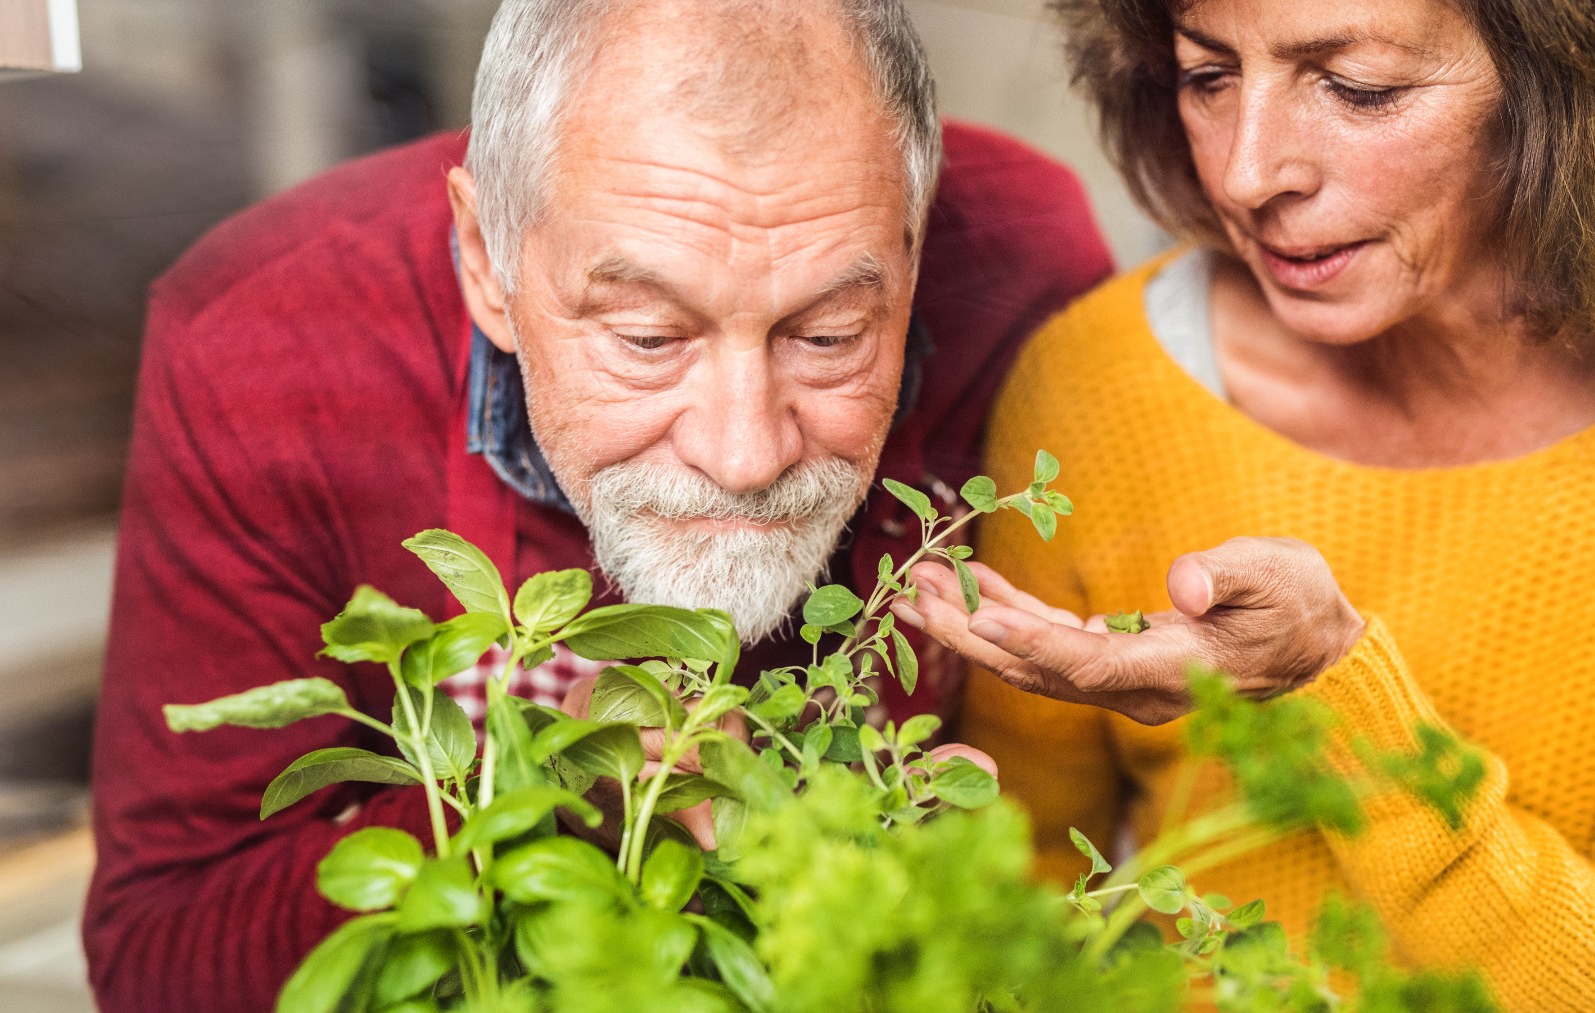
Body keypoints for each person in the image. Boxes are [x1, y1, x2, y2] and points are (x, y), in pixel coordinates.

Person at [82, 0, 1112, 1009]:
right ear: (487, 259)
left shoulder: (1025, 266)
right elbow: (162, 949)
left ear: (915, 249)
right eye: (649, 338)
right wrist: (555, 786)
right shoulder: (264, 340)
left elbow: (1072, 826)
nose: (744, 454)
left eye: (830, 336)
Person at [897, 0, 1595, 1007]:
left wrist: (1337, 688)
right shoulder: (1099, 382)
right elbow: (1012, 891)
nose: (1249, 173)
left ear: (1566, 88)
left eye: (1357, 88)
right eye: (1207, 76)